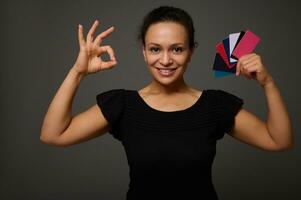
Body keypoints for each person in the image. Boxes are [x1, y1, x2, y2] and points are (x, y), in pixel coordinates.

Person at [40, 5, 293, 200]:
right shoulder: (123, 105)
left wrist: (267, 83)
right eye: (155, 49)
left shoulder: (214, 105)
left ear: (191, 50)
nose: (165, 60)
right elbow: (53, 134)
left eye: (177, 49)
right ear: (143, 51)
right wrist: (77, 72)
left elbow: (279, 141)